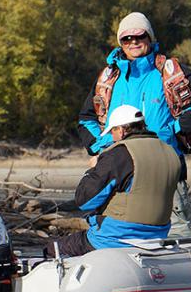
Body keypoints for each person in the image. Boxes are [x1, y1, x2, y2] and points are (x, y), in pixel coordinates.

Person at [78, 12, 191, 235]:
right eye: (127, 38)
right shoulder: (108, 78)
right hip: (117, 170)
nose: (133, 42)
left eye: (139, 36)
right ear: (120, 43)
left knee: (176, 234)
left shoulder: (169, 72)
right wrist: (99, 147)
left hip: (165, 170)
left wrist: (175, 129)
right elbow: (86, 118)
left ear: (150, 38)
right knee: (112, 231)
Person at [44, 105, 181, 258]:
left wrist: (93, 170)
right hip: (158, 235)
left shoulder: (119, 154)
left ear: (121, 130)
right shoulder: (170, 151)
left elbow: (84, 201)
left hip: (115, 238)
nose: (112, 138)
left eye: (112, 132)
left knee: (52, 248)